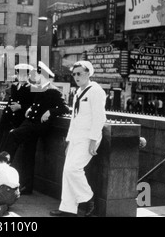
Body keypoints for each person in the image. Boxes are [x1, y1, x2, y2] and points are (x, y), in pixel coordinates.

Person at [4, 61, 70, 195]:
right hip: (30, 123)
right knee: (28, 154)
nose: (34, 76)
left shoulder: (53, 90)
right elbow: (36, 105)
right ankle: (26, 187)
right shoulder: (39, 88)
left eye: (37, 74)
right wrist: (29, 109)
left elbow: (65, 108)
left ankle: (3, 166)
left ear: (43, 75)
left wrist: (50, 112)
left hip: (38, 126)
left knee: (13, 135)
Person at [50, 61, 106, 217]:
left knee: (73, 169)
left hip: (88, 137)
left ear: (88, 74)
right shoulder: (78, 92)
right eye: (74, 74)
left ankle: (89, 198)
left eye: (79, 73)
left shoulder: (96, 91)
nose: (76, 77)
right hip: (76, 138)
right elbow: (74, 119)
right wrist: (69, 140)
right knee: (66, 171)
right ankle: (68, 208)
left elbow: (99, 118)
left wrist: (94, 141)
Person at [0, 63, 35, 159]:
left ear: (29, 76)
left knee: (8, 148)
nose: (22, 77)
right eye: (20, 75)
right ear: (17, 75)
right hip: (7, 119)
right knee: (0, 144)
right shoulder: (14, 86)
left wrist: (20, 106)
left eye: (25, 75)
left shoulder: (32, 88)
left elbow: (33, 107)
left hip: (17, 121)